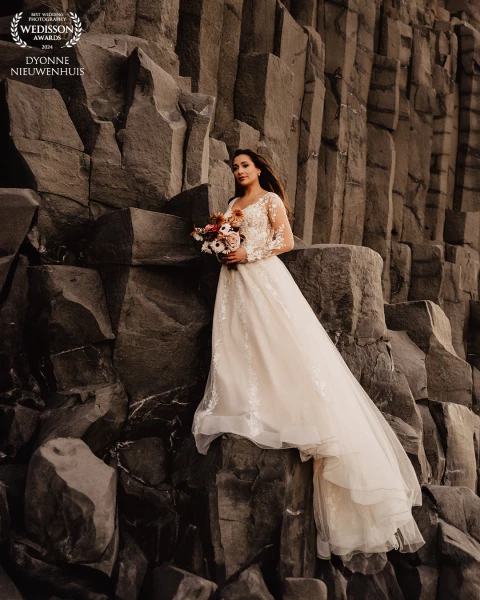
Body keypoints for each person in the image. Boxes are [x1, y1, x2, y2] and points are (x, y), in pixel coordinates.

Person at [192, 148, 425, 574]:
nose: (239, 171)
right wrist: (222, 247)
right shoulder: (231, 205)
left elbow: (286, 242)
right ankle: (246, 397)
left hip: (263, 277)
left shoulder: (270, 201)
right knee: (238, 340)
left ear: (258, 168)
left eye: (245, 165)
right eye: (235, 167)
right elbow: (231, 236)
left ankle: (288, 405)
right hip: (235, 282)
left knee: (279, 341)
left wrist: (247, 252)